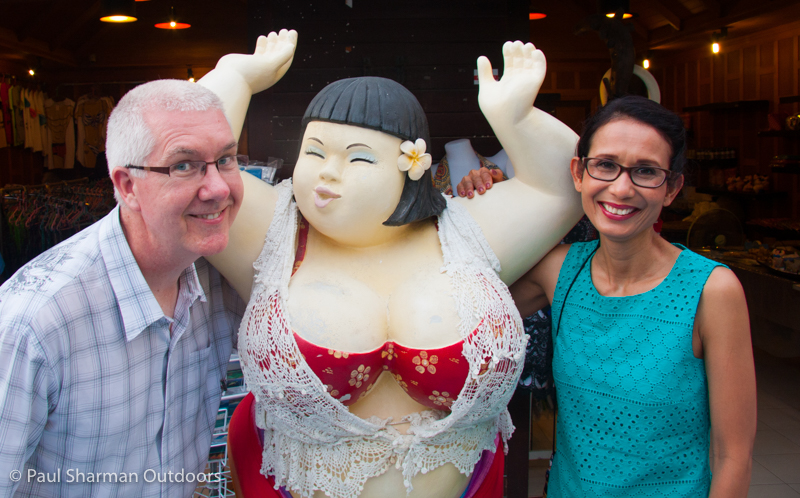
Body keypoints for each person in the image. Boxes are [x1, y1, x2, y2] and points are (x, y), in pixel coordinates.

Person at [195, 41, 584, 498]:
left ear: (411, 167)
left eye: (359, 157)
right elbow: (188, 170)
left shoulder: (465, 232)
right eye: (314, 152)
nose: (328, 174)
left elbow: (565, 185)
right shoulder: (271, 229)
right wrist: (236, 78)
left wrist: (516, 118)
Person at [0, 30, 297, 497]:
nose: (218, 188)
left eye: (225, 159)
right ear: (128, 186)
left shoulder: (218, 272)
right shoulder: (35, 322)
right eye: (183, 165)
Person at [459, 95, 757, 497]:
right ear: (578, 173)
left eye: (646, 171)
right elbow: (460, 307)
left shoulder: (711, 290)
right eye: (605, 165)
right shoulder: (561, 270)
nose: (621, 188)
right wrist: (487, 205)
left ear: (672, 189)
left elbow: (732, 456)